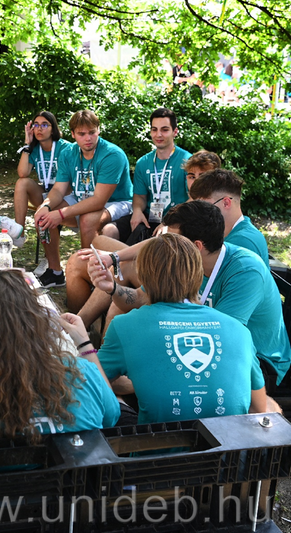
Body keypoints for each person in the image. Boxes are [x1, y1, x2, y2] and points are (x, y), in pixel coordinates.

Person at [92, 201, 290, 385]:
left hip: (255, 363)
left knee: (127, 378)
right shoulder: (181, 260)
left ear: (196, 246)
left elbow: (221, 339)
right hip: (200, 347)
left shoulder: (246, 271)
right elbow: (137, 299)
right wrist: (112, 288)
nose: (165, 247)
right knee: (118, 374)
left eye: (172, 241)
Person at [95, 233, 267, 423]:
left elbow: (88, 383)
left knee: (115, 398)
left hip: (156, 441)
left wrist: (83, 345)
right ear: (198, 275)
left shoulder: (124, 326)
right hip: (228, 440)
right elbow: (260, 410)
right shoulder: (239, 330)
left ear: (142, 277)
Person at [0, 269, 119, 443]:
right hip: (78, 466)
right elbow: (112, 416)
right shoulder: (82, 373)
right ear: (38, 321)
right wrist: (84, 344)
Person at [64, 149, 222, 321]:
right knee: (92, 248)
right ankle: (78, 321)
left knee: (121, 267)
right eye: (191, 176)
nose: (196, 181)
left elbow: (167, 249)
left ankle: (80, 323)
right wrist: (114, 255)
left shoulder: (212, 214)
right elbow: (159, 242)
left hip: (176, 279)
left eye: (203, 176)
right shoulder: (189, 207)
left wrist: (115, 257)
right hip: (163, 262)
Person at [34, 110, 132, 249]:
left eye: (92, 132)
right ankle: (53, 264)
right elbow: (58, 189)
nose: (88, 138)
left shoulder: (112, 155)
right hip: (82, 197)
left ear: (98, 130)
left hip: (117, 202)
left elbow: (99, 201)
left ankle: (86, 262)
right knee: (44, 216)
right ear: (73, 134)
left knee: (87, 220)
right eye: (81, 134)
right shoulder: (67, 153)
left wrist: (61, 213)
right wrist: (45, 206)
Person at [109, 108, 191, 244]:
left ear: (175, 132)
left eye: (164, 130)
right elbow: (140, 196)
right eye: (154, 129)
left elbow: (194, 198)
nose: (158, 134)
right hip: (149, 217)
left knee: (159, 241)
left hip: (176, 220)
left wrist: (170, 222)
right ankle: (119, 257)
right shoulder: (143, 162)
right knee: (109, 230)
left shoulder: (187, 161)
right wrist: (137, 211)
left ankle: (127, 256)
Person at [14, 111, 74, 287]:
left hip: (65, 194)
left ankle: (53, 267)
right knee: (22, 183)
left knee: (45, 215)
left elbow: (71, 180)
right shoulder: (34, 150)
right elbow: (23, 173)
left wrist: (51, 202)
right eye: (36, 125)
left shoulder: (65, 148)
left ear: (53, 128)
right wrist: (27, 145)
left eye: (44, 125)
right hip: (46, 193)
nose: (39, 129)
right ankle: (19, 232)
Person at [189, 168, 269, 266]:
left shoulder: (242, 242)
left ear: (226, 203)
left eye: (204, 206)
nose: (198, 213)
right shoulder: (233, 232)